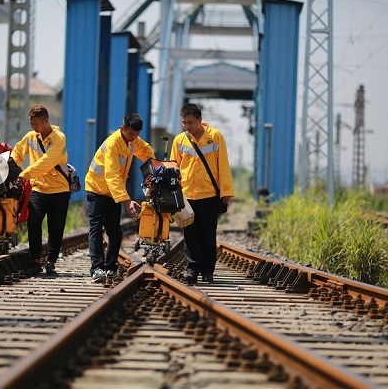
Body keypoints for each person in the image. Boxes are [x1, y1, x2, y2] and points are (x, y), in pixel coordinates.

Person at [85, 113, 155, 283]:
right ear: (122, 129)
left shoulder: (132, 141)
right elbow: (112, 175)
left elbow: (146, 151)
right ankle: (97, 269)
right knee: (96, 229)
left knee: (115, 232)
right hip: (96, 190)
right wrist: (126, 199)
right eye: (131, 134)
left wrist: (156, 169)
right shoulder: (113, 144)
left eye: (137, 135)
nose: (134, 138)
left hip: (112, 193)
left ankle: (110, 268)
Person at [170, 103, 234, 284]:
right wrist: (173, 192)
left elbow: (223, 164)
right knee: (190, 235)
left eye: (190, 122)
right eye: (184, 123)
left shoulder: (215, 137)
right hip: (187, 195)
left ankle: (208, 271)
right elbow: (174, 167)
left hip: (209, 195)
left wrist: (226, 190)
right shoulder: (179, 140)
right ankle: (192, 269)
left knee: (207, 234)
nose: (187, 126)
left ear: (200, 120)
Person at [12, 105, 70, 276]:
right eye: (31, 124)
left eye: (36, 124)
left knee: (55, 228)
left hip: (59, 190)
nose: (33, 128)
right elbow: (17, 152)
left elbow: (47, 162)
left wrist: (25, 174)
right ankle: (35, 259)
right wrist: (11, 165)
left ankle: (51, 262)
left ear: (46, 120)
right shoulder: (31, 137)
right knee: (34, 222)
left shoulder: (59, 138)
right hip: (39, 188)